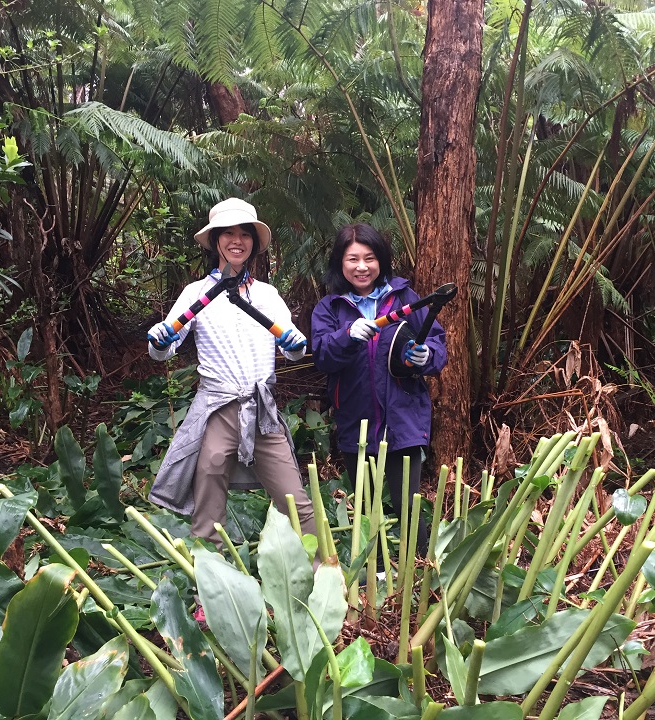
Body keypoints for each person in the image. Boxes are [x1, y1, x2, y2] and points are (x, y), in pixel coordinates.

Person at [146, 197, 317, 560]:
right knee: (208, 487)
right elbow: (165, 348)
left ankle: (324, 576)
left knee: (295, 499)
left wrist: (297, 344)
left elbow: (292, 349)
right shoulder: (196, 294)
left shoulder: (267, 295)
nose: (237, 240)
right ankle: (209, 587)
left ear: (254, 243)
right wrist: (160, 340)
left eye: (245, 234)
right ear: (216, 241)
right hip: (217, 406)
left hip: (262, 408)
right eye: (228, 234)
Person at [311, 223, 447, 557]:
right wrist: (347, 334)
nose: (361, 266)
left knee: (409, 504)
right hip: (355, 423)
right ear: (340, 263)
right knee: (368, 505)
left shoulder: (405, 298)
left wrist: (426, 355)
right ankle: (374, 574)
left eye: (369, 258)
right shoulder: (329, 308)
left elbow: (436, 342)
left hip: (404, 419)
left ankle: (421, 572)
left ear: (381, 261)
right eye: (352, 258)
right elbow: (322, 356)